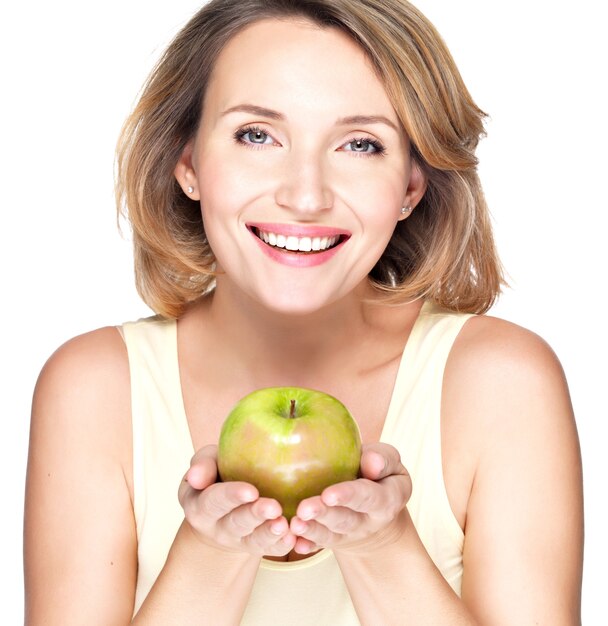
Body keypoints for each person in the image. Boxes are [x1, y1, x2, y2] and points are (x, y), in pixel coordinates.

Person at [23, 0, 584, 623]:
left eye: (360, 144)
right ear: (188, 163)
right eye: (257, 135)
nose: (305, 195)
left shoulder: (502, 383)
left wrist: (381, 544)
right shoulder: (95, 389)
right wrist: (212, 551)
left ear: (410, 188)